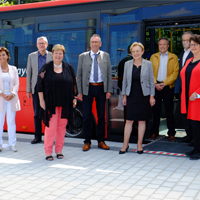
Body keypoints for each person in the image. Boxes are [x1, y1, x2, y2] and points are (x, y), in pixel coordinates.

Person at [37, 44, 77, 161]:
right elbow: (39, 85)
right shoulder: (46, 67)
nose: (58, 55)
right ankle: (48, 152)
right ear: (52, 54)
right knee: (50, 127)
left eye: (60, 53)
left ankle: (59, 150)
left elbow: (74, 85)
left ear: (63, 55)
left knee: (62, 127)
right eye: (56, 53)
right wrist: (41, 100)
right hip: (51, 102)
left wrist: (74, 98)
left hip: (65, 103)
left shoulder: (69, 68)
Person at [77, 34, 112, 151]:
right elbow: (80, 75)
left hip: (101, 88)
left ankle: (101, 141)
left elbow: (108, 75)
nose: (94, 44)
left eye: (97, 42)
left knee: (101, 116)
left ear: (100, 44)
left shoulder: (106, 56)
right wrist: (80, 91)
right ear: (90, 44)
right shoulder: (82, 56)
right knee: (86, 116)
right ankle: (87, 141)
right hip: (88, 89)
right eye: (92, 42)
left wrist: (108, 90)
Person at [119, 42, 155, 154]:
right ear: (131, 52)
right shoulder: (127, 64)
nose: (136, 53)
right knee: (129, 120)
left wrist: (151, 96)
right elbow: (124, 81)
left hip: (144, 95)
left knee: (141, 121)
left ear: (142, 52)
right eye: (133, 51)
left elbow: (151, 82)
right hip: (131, 95)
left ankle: (139, 144)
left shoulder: (148, 64)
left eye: (138, 51)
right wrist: (124, 96)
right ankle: (125, 144)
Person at [150, 37, 179, 141]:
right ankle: (154, 132)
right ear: (158, 46)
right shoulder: (153, 57)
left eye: (164, 44)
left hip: (167, 87)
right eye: (160, 44)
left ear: (168, 45)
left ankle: (171, 133)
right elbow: (150, 72)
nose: (162, 46)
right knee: (156, 111)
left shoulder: (173, 57)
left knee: (169, 110)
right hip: (156, 86)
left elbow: (175, 73)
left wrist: (164, 83)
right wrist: (155, 83)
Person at [26, 36, 52, 144]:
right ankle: (37, 137)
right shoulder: (31, 56)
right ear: (37, 45)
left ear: (47, 44)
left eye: (44, 43)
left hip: (50, 89)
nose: (42, 45)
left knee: (49, 113)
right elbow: (29, 73)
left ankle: (49, 137)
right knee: (37, 113)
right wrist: (28, 89)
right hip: (36, 88)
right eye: (40, 43)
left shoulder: (52, 55)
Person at [180, 34, 200, 160]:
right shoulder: (188, 61)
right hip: (187, 98)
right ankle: (196, 149)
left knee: (197, 125)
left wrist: (198, 93)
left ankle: (198, 151)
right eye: (191, 44)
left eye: (195, 45)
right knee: (192, 125)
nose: (192, 47)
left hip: (197, 99)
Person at [0, 47, 21, 152]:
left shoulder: (13, 68)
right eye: (0, 55)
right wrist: (2, 94)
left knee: (11, 121)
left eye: (3, 54)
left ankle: (12, 144)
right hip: (1, 98)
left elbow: (17, 83)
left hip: (11, 98)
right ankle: (0, 144)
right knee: (0, 121)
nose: (1, 57)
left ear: (7, 56)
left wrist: (12, 93)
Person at [177, 31, 194, 144]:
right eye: (183, 40)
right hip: (182, 89)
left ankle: (194, 137)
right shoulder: (181, 54)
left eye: (187, 40)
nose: (185, 42)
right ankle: (189, 135)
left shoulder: (195, 53)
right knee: (184, 112)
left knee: (193, 113)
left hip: (192, 89)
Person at [117, 45, 133, 122]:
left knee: (126, 113)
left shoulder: (122, 61)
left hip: (125, 91)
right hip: (134, 91)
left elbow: (119, 77)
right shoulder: (135, 61)